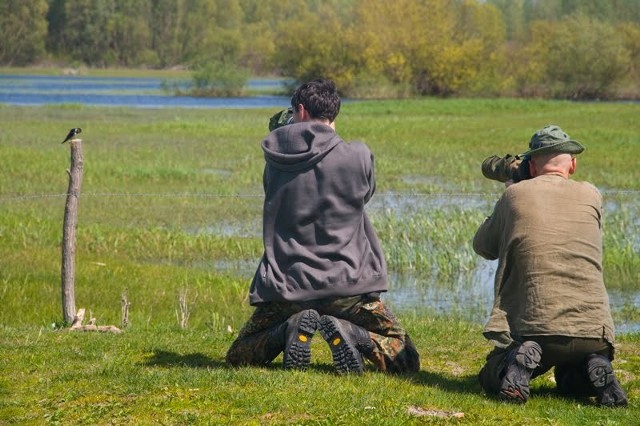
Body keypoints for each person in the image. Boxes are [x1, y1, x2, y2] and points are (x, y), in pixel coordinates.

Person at [225, 78, 420, 375]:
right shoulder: (358, 155)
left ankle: (288, 330)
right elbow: (365, 195)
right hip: (349, 286)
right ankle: (353, 334)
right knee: (405, 358)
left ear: (300, 110)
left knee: (241, 355)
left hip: (288, 287)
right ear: (335, 114)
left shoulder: (275, 160)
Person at [472, 124, 628, 407]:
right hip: (594, 333)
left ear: (531, 167)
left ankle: (518, 361)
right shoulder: (592, 194)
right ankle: (595, 364)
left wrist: (510, 193)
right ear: (573, 164)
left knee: (491, 374)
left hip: (538, 331)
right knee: (572, 382)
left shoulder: (514, 196)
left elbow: (483, 246)